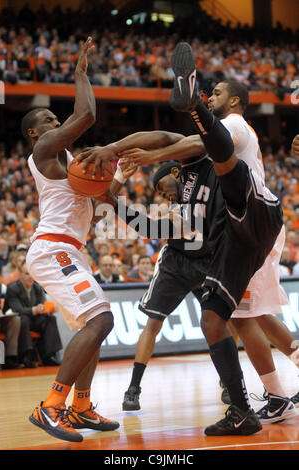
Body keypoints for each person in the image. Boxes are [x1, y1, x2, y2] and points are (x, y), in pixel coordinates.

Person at [81, 43, 283, 435]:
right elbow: (157, 225)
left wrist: (128, 154)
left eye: (165, 185)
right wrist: (115, 185)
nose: (163, 192)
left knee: (222, 160)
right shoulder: (183, 205)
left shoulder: (220, 138)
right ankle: (243, 410)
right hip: (230, 240)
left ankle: (192, 105)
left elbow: (174, 139)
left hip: (253, 211)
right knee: (215, 320)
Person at [22, 37, 119, 443]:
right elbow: (87, 113)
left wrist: (116, 178)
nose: (53, 121)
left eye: (52, 118)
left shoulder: (74, 165)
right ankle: (50, 406)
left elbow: (106, 203)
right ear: (33, 133)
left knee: (90, 327)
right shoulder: (44, 149)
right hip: (53, 249)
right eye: (46, 118)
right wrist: (80, 73)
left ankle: (80, 406)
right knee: (101, 319)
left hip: (69, 251)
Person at [4, 260, 62, 367]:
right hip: (16, 321)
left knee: (50, 318)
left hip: (34, 319)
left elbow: (42, 305)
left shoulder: (37, 287)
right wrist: (34, 310)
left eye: (31, 273)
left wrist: (49, 309)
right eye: (26, 274)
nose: (30, 277)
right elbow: (17, 309)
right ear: (20, 274)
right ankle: (26, 356)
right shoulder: (12, 288)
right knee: (23, 318)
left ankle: (49, 355)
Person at [0, 280, 22, 369]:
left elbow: (3, 305)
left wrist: (2, 312)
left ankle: (10, 358)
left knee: (15, 320)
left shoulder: (0, 285)